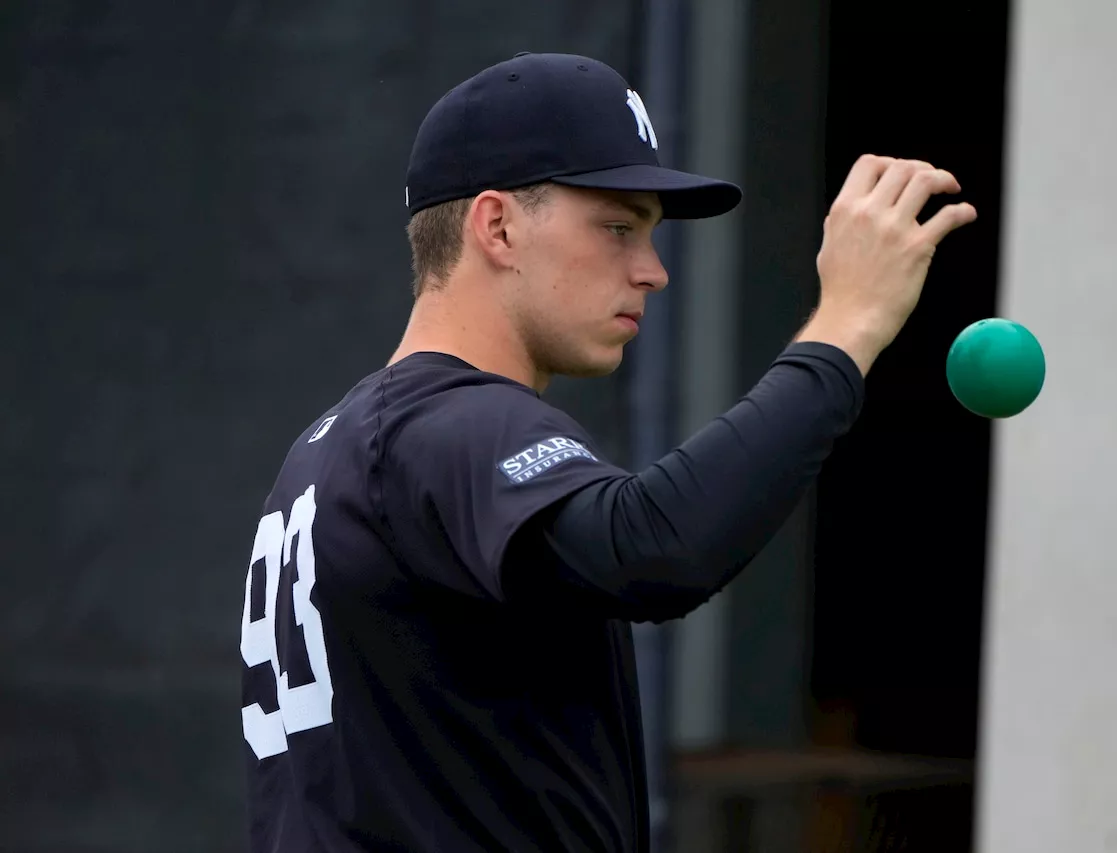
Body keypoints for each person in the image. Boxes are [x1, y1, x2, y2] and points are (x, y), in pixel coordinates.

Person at [238, 51, 976, 853]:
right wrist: (848, 325)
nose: (653, 270)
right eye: (619, 226)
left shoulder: (339, 445)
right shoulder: (449, 423)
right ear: (497, 226)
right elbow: (653, 545)